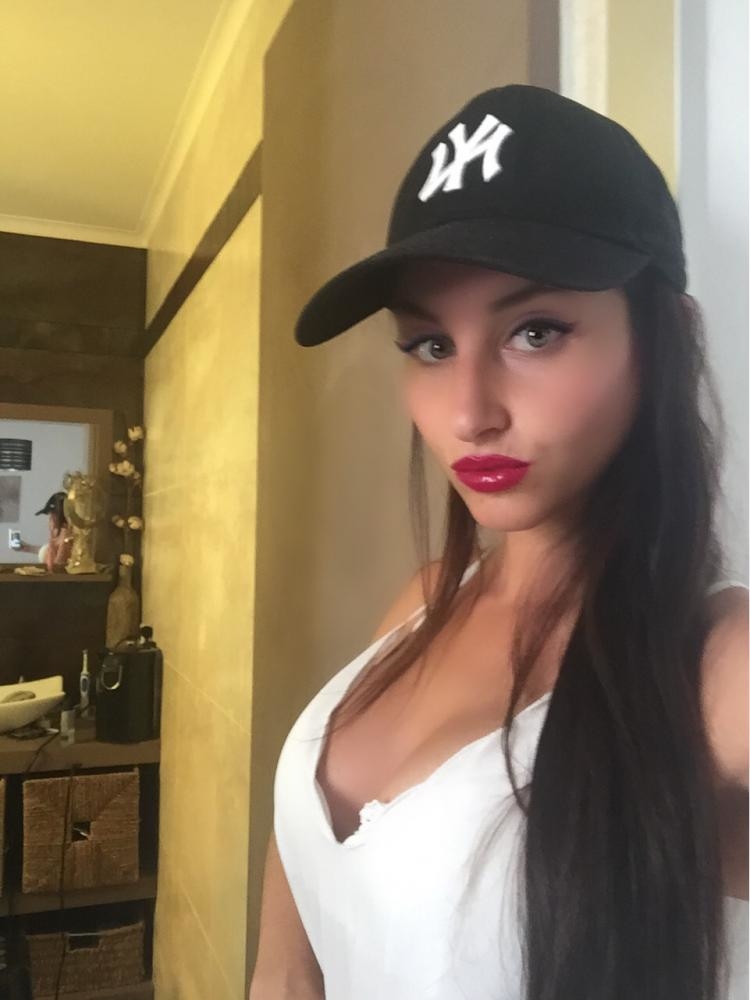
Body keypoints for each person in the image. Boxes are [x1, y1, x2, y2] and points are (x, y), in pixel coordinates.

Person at [250, 85, 748, 1000]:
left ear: (663, 342)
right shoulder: (424, 602)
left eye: (534, 331)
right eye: (431, 345)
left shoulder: (716, 666)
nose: (469, 412)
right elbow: (284, 973)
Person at [18, 491, 73, 572]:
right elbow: (49, 552)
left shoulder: (66, 537)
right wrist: (29, 548)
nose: (49, 519)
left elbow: (56, 568)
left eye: (51, 515)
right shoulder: (59, 535)